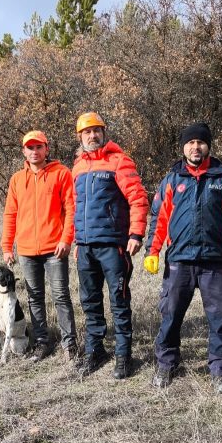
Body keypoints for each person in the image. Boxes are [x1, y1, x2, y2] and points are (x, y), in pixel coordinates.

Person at [143, 122, 222, 394]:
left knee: (220, 318)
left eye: (201, 142)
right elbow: (159, 218)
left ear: (208, 146)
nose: (196, 147)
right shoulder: (172, 179)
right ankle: (166, 364)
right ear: (183, 147)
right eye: (191, 142)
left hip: (215, 262)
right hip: (179, 260)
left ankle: (220, 371)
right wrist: (152, 251)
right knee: (170, 315)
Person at [71, 112, 149, 378]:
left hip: (114, 246)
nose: (93, 136)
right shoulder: (78, 166)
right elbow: (76, 207)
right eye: (87, 132)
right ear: (80, 137)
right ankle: (95, 351)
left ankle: (123, 355)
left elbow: (138, 198)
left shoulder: (119, 161)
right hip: (85, 247)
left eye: (97, 131)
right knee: (90, 301)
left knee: (119, 300)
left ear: (104, 133)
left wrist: (136, 234)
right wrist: (76, 242)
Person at [1, 130, 77, 361]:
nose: (34, 152)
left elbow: (70, 209)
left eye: (38, 147)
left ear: (47, 149)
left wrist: (66, 239)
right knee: (34, 297)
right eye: (30, 148)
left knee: (61, 295)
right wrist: (7, 246)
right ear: (24, 151)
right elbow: (10, 214)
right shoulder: (17, 179)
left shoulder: (61, 173)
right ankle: (42, 341)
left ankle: (69, 344)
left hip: (54, 248)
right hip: (26, 250)